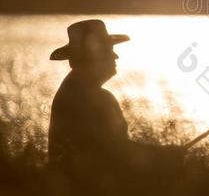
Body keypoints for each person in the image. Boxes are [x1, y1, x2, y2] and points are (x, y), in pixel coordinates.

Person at [47, 19, 185, 194]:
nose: (115, 56)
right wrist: (165, 156)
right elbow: (119, 153)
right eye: (107, 51)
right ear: (90, 58)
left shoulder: (71, 92)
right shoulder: (94, 99)